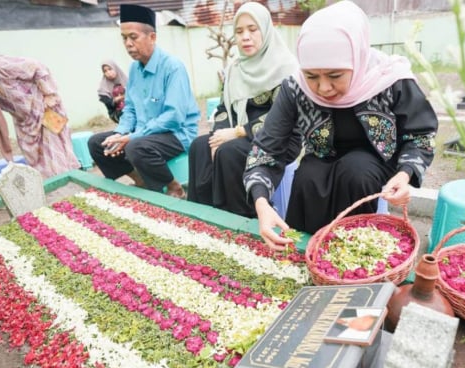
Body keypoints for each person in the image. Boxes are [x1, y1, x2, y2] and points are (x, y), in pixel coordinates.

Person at [243, 1, 438, 250]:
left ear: (356, 58)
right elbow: (266, 150)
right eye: (312, 76)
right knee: (308, 176)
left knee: (356, 171)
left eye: (335, 75)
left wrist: (405, 173)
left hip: (371, 167)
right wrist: (262, 203)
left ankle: (354, 259)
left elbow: (421, 135)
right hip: (321, 161)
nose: (323, 88)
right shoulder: (295, 88)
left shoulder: (389, 79)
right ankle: (306, 257)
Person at [187, 2, 298, 217]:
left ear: (266, 30)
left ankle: (242, 218)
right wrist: (218, 136)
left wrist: (238, 132)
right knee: (199, 146)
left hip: (277, 138)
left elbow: (283, 117)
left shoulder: (285, 67)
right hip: (237, 133)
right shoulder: (236, 68)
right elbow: (222, 108)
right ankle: (203, 215)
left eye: (252, 29)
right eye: (239, 31)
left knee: (230, 152)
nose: (245, 36)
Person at [88, 4, 199, 198]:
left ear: (152, 37)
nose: (128, 44)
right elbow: (129, 109)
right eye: (124, 38)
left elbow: (174, 117)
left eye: (133, 37)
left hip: (176, 134)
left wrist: (132, 137)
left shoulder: (172, 67)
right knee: (98, 143)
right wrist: (120, 132)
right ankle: (141, 181)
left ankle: (175, 188)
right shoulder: (134, 69)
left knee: (135, 147)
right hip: (144, 132)